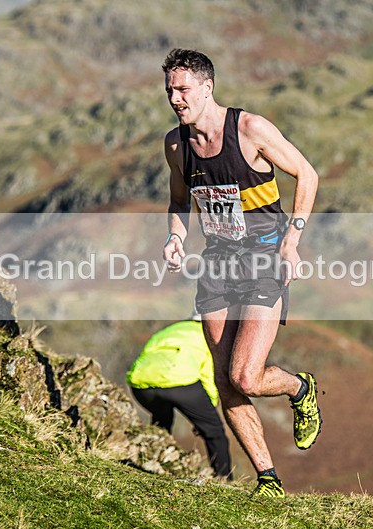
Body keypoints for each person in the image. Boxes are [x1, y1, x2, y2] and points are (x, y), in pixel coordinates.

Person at [160, 48, 322, 497]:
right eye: (169, 90)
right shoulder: (176, 145)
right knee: (222, 380)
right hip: (217, 263)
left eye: (183, 89)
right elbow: (179, 201)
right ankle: (268, 479)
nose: (175, 99)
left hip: (265, 257)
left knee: (245, 376)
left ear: (207, 88)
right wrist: (175, 237)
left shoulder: (250, 129)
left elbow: (307, 175)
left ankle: (299, 388)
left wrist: (292, 239)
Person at [127, 315, 232, 479]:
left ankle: (152, 460)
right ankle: (224, 478)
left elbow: (147, 353)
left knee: (162, 419)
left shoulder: (169, 330)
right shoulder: (210, 334)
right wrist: (208, 410)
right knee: (215, 432)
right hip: (180, 382)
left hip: (141, 383)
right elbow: (208, 373)